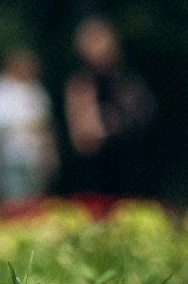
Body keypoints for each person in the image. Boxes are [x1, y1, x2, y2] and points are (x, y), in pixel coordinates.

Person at [65, 17, 156, 196]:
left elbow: (145, 118)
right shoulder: (81, 83)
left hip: (129, 159)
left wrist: (115, 122)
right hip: (96, 164)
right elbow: (79, 135)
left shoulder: (127, 80)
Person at [0, 49, 58, 204]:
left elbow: (46, 126)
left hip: (35, 158)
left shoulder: (36, 90)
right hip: (8, 158)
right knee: (13, 203)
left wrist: (50, 154)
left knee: (35, 203)